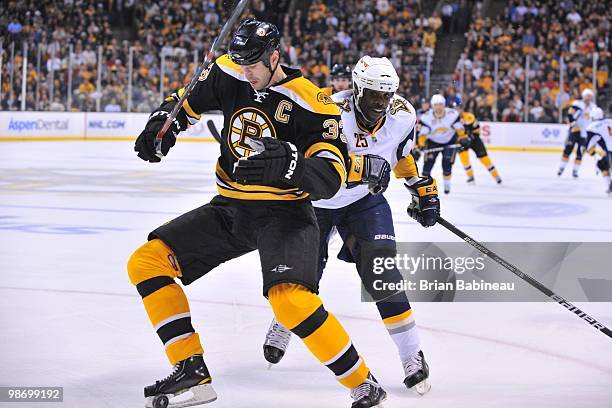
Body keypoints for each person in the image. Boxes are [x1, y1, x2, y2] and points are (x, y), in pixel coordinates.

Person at [129, 19, 388, 408]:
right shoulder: (230, 72)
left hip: (285, 214)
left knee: (290, 302)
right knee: (147, 262)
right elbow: (185, 100)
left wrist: (290, 164)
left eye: (253, 66)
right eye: (241, 65)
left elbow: (332, 176)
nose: (246, 74)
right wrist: (163, 124)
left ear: (275, 57)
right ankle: (191, 371)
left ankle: (364, 384)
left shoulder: (310, 101)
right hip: (231, 208)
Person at [262, 56, 437, 395]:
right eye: (373, 94)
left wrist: (418, 185)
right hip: (316, 201)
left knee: (383, 273)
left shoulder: (402, 116)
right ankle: (285, 318)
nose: (380, 103)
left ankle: (411, 355)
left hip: (362, 202)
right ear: (356, 87)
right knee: (301, 276)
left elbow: (398, 154)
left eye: (385, 96)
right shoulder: (326, 109)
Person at [417, 94, 468, 194]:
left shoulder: (452, 114)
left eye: (440, 104)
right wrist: (420, 146)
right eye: (436, 105)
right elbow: (423, 135)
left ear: (444, 105)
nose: (438, 107)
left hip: (449, 141)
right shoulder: (426, 117)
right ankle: (425, 188)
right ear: (432, 106)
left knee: (447, 165)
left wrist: (463, 138)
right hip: (432, 142)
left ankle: (447, 184)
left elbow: (459, 128)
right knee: (427, 167)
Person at [453, 102, 502, 184]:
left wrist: (470, 137)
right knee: (464, 159)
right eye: (455, 108)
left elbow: (475, 128)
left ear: (462, 109)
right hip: (462, 142)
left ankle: (496, 176)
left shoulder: (469, 116)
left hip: (474, 139)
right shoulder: (451, 119)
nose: (457, 110)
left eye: (458, 108)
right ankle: (470, 177)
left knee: (484, 158)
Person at [558, 88, 599, 178]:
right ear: (584, 96)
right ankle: (561, 168)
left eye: (590, 96)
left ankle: (575, 171)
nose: (589, 98)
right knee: (568, 149)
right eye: (587, 96)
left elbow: (596, 120)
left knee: (580, 153)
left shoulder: (593, 107)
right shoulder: (577, 104)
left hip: (585, 134)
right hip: (575, 130)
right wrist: (571, 121)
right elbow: (570, 114)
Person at [584, 107, 611, 194]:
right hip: (609, 150)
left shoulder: (592, 127)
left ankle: (610, 185)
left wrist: (592, 153)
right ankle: (610, 185)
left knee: (602, 165)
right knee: (603, 164)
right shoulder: (610, 121)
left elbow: (588, 146)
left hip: (610, 150)